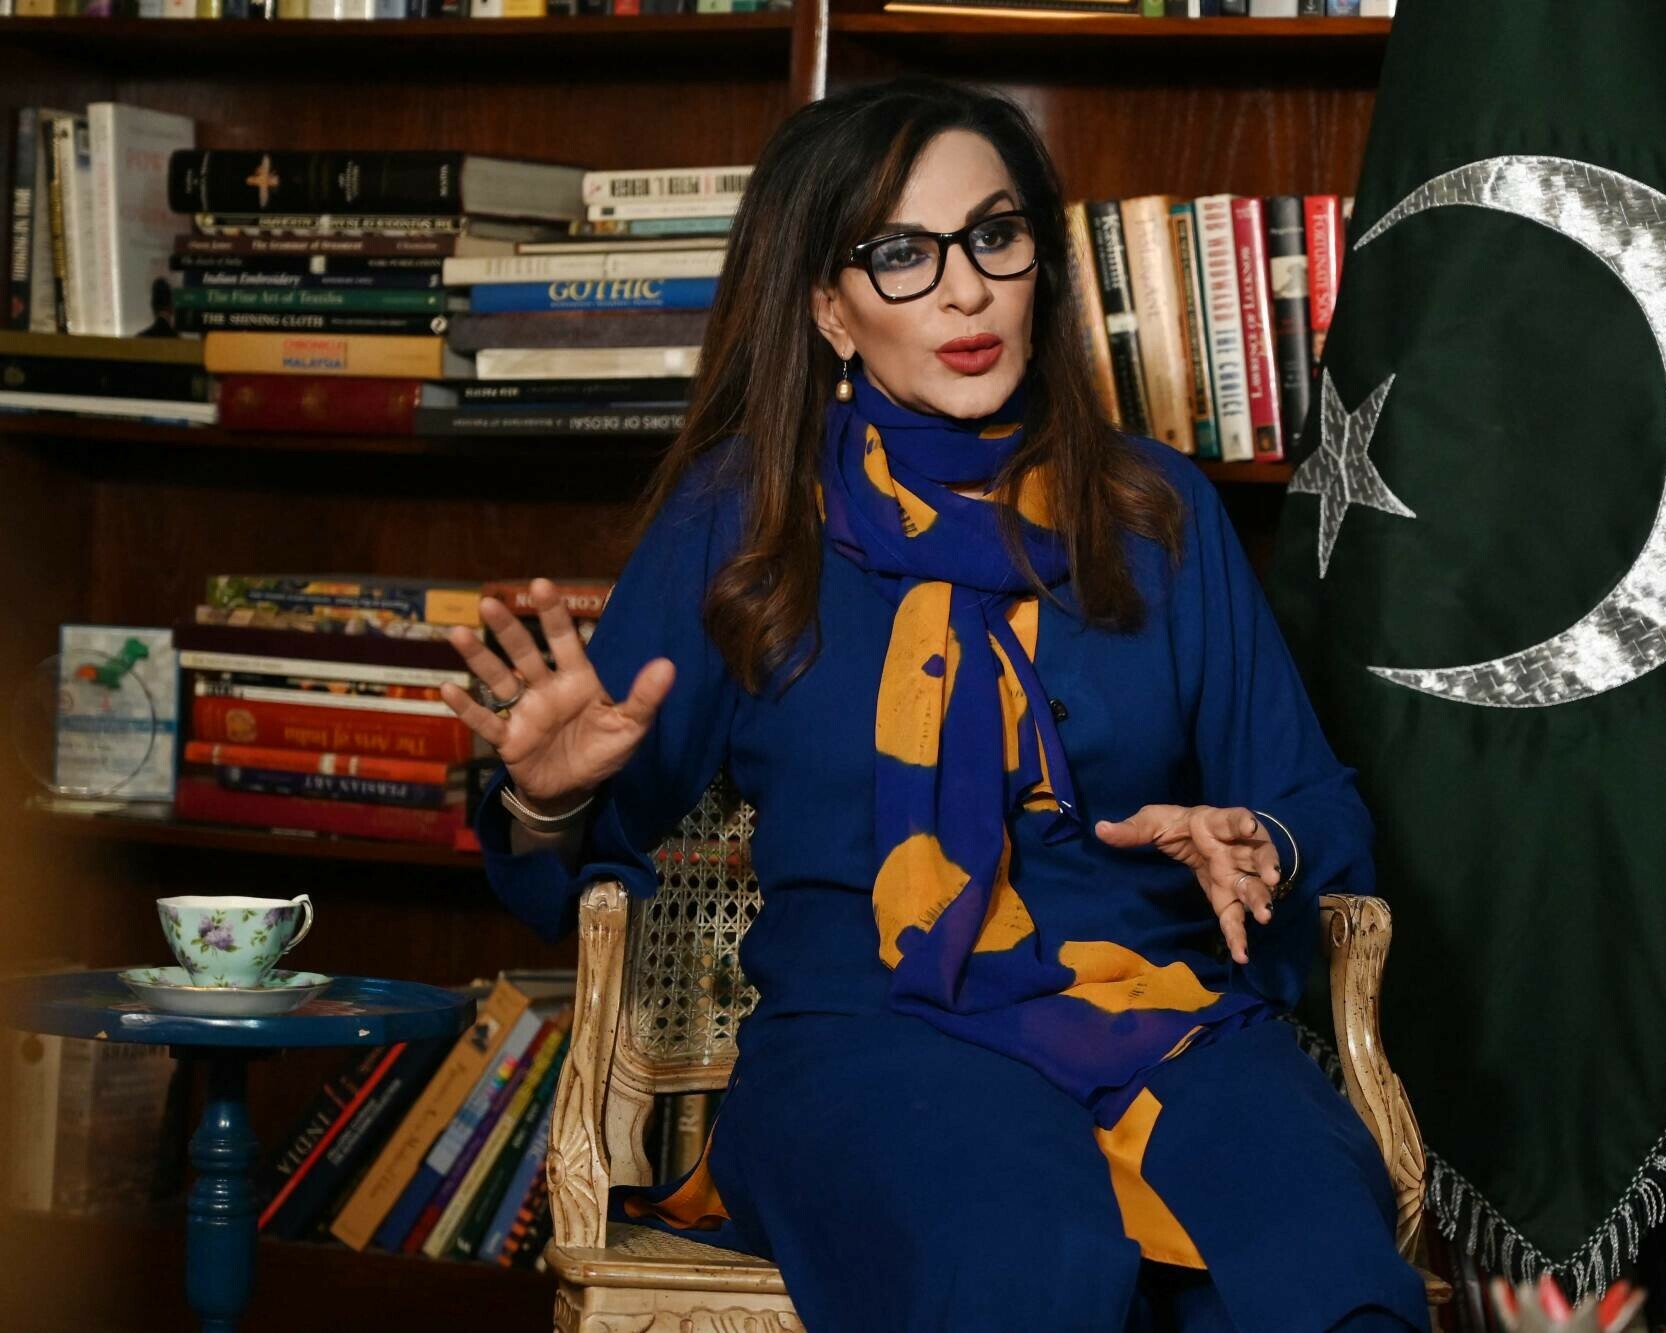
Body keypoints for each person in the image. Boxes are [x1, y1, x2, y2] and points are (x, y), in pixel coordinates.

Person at [447, 77, 1424, 1333]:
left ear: (1037, 267)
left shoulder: (1154, 510)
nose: (964, 291)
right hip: (866, 1038)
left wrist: (1258, 844)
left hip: (1160, 1018)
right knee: (1027, 1260)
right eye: (902, 254)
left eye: (993, 237)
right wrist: (547, 797)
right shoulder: (742, 518)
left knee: (1324, 1274)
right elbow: (571, 860)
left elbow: (1314, 807)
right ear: (828, 308)